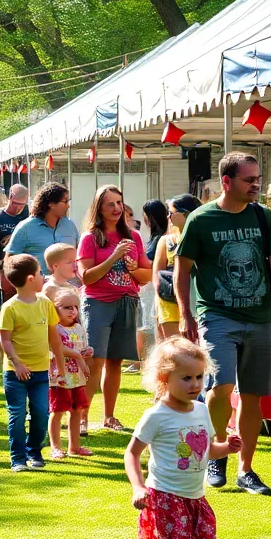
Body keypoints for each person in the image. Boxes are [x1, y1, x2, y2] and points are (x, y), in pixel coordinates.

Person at [174, 152, 271, 496]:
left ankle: (246, 470)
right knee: (220, 388)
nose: (256, 185)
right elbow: (182, 271)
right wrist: (186, 315)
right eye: (249, 180)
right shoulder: (201, 219)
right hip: (216, 314)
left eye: (258, 179)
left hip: (260, 317)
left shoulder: (263, 216)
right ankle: (217, 452)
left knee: (253, 396)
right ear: (227, 181)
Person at [120, 338, 242, 539]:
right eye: (186, 378)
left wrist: (228, 448)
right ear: (164, 378)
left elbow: (208, 450)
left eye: (199, 376)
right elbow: (131, 453)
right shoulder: (157, 416)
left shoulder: (200, 409)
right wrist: (138, 487)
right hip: (165, 496)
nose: (196, 384)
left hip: (195, 497)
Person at [78, 185, 152, 434]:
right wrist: (113, 258)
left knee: (115, 362)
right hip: (98, 302)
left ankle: (109, 416)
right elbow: (86, 277)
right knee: (95, 359)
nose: (117, 208)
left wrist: (132, 269)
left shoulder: (134, 237)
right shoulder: (90, 237)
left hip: (127, 302)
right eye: (111, 204)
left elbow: (146, 274)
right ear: (99, 207)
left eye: (119, 203)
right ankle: (83, 417)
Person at [0, 254, 65, 472]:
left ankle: (33, 450)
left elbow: (54, 338)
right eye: (39, 274)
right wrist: (16, 363)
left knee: (41, 414)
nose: (42, 277)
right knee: (16, 415)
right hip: (15, 374)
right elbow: (4, 339)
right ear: (30, 279)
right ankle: (17, 458)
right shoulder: (10, 308)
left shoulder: (45, 304)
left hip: (41, 372)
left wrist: (60, 368)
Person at [0, 184, 30, 343]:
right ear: (10, 197)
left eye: (22, 205)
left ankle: (16, 341)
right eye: (16, 204)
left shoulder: (26, 215)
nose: (18, 208)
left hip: (17, 270)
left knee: (18, 306)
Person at [48, 289, 93, 459]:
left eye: (75, 306)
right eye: (67, 307)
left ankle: (74, 447)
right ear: (55, 309)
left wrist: (87, 352)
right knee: (57, 411)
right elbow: (57, 348)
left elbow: (81, 348)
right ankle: (55, 447)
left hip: (76, 377)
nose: (72, 311)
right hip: (59, 377)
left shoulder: (79, 328)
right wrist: (77, 356)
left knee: (77, 410)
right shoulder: (54, 328)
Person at [152, 195, 201, 341]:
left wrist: (184, 228)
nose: (168, 217)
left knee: (195, 350)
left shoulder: (202, 236)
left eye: (171, 213)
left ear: (185, 213)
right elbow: (156, 275)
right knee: (175, 349)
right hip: (169, 300)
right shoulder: (166, 241)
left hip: (195, 301)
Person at [6, 182, 79, 274]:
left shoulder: (70, 226)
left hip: (68, 286)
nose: (68, 206)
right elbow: (10, 261)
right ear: (51, 204)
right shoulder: (26, 228)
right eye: (65, 202)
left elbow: (78, 254)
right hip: (37, 287)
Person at [133, 200, 168, 374]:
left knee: (152, 328)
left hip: (151, 289)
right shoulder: (155, 238)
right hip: (147, 290)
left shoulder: (159, 239)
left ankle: (152, 365)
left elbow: (152, 266)